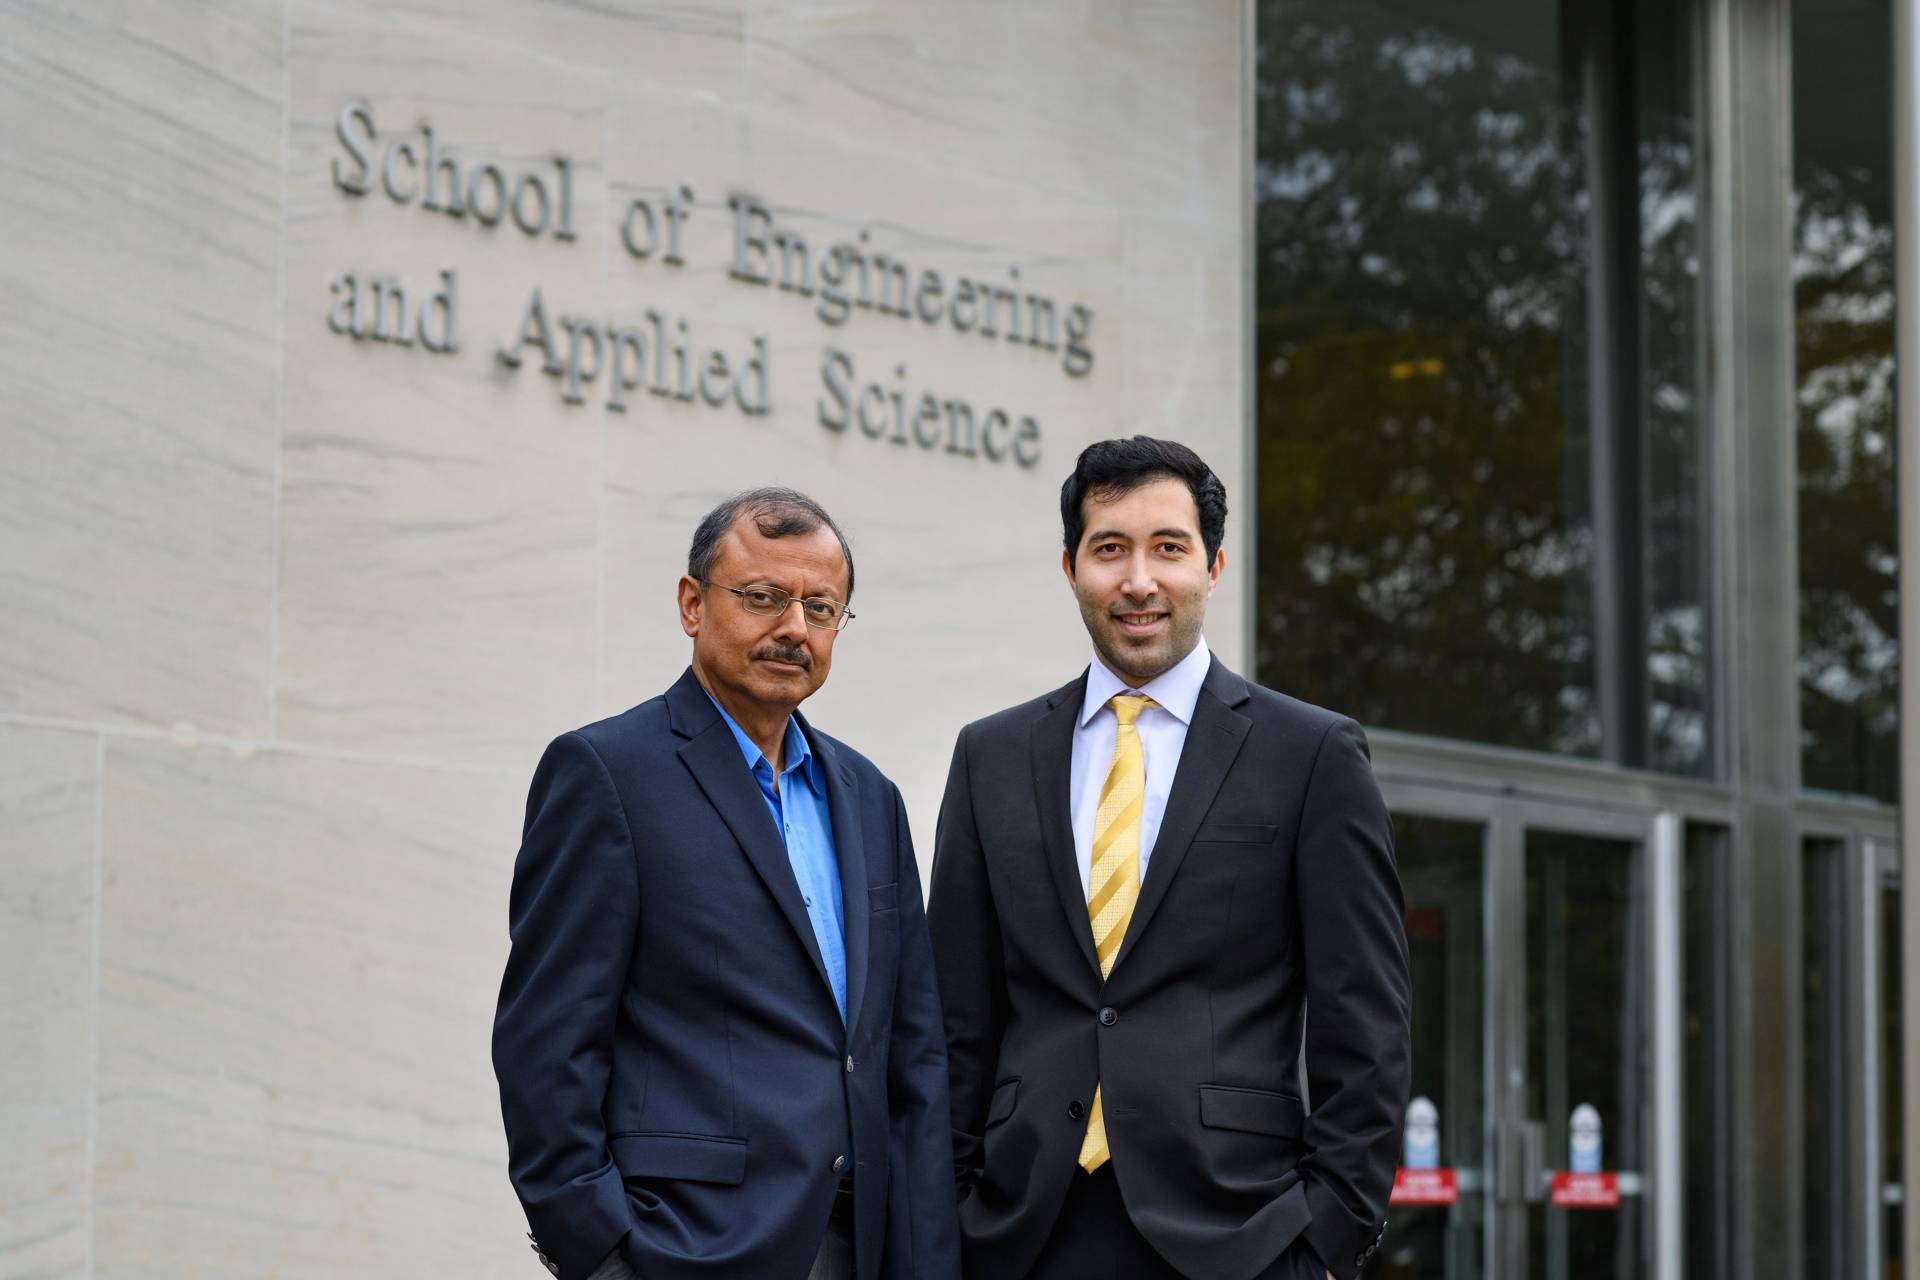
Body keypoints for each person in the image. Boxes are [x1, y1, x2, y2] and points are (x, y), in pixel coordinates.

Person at [928, 437, 1410, 1280]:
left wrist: (1331, 1236)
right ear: (1071, 568)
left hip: (1244, 1231)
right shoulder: (990, 756)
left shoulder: (1311, 755)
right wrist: (951, 1213)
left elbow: (1364, 1016)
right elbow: (956, 1020)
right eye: (1110, 548)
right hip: (1020, 1232)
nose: (1139, 580)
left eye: (1169, 548)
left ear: (1214, 567)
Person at [493, 487, 959, 1280]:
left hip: (860, 1249)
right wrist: (603, 1256)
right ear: (691, 604)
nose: (794, 628)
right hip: (685, 1246)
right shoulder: (607, 774)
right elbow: (548, 1049)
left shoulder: (870, 797)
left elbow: (912, 1058)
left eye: (821, 608)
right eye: (763, 597)